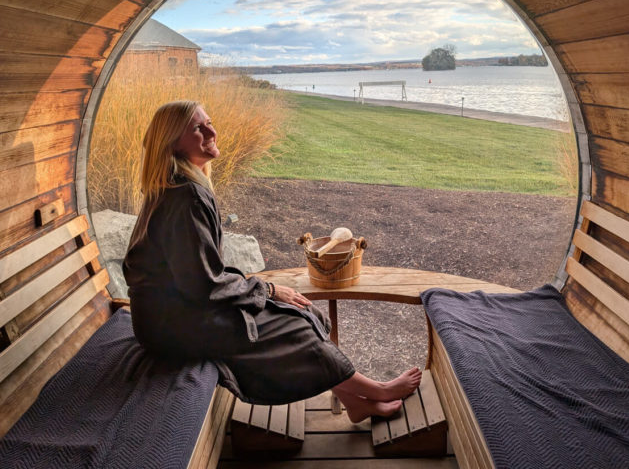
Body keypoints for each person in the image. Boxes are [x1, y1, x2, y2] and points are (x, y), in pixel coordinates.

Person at [123, 100, 421, 422]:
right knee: (293, 325)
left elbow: (199, 272)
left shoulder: (179, 186)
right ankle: (376, 390)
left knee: (304, 311)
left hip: (172, 312)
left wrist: (260, 291)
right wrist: (266, 290)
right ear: (172, 142)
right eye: (198, 128)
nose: (212, 131)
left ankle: (356, 402)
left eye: (209, 122)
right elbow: (204, 283)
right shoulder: (186, 197)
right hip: (173, 323)